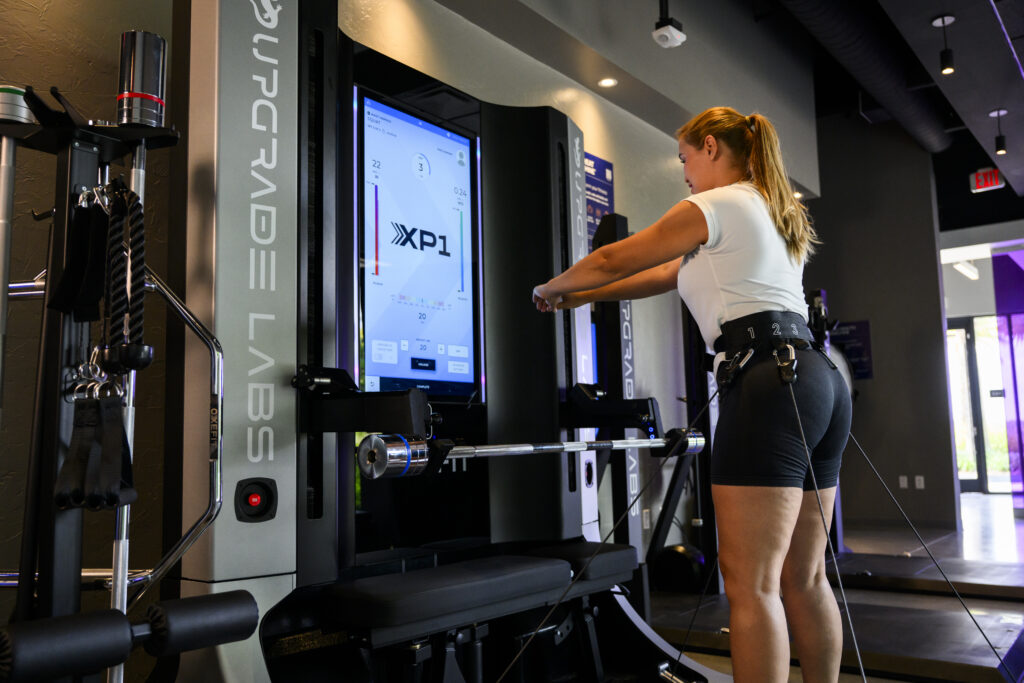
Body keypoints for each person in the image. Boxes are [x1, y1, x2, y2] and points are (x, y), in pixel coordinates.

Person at [532, 106, 852, 683]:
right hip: (817, 378)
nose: (684, 173)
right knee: (804, 577)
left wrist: (548, 285)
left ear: (710, 146)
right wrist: (579, 296)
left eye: (684, 158)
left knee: (752, 585)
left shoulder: (718, 203)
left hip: (768, 384)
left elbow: (614, 256)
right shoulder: (773, 210)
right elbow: (661, 275)